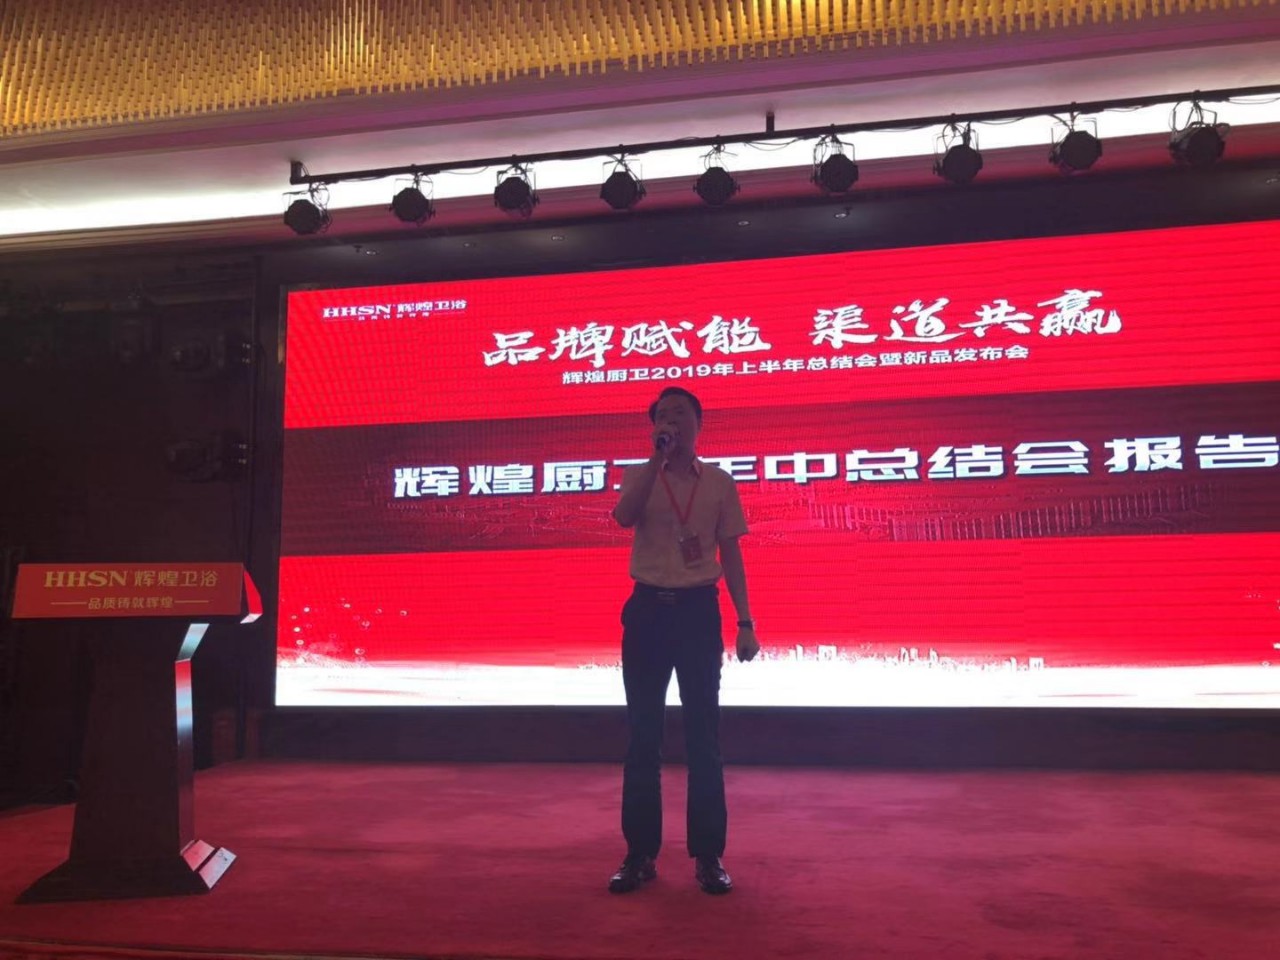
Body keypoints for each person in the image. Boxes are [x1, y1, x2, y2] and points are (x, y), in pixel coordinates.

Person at [607, 385, 759, 896]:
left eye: (680, 413)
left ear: (699, 424)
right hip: (647, 611)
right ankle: (639, 854)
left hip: (697, 612)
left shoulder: (718, 482)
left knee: (703, 737)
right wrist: (655, 462)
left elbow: (731, 553)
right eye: (663, 416)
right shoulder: (639, 474)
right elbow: (623, 517)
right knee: (642, 736)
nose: (671, 421)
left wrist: (745, 621)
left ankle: (709, 856)